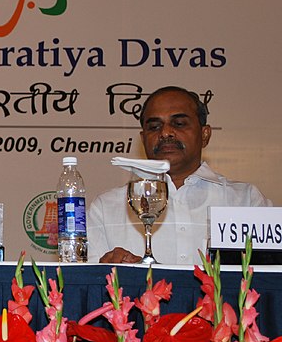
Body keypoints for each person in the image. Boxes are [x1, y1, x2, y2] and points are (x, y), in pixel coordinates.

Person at [88, 86, 271, 265]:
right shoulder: (105, 209)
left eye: (179, 124)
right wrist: (104, 272)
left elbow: (270, 281)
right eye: (154, 126)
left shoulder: (246, 200)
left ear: (205, 134)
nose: (165, 132)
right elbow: (84, 285)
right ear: (143, 140)